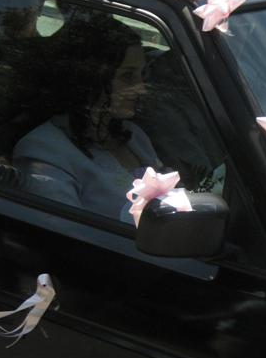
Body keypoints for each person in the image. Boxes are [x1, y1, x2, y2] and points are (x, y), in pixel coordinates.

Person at [13, 14, 161, 223]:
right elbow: (63, 234)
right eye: (127, 76)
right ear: (90, 78)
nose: (141, 89)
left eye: (141, 75)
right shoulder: (42, 151)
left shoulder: (134, 135)